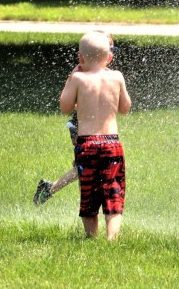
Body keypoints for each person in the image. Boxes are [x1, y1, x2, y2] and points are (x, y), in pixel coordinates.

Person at [59, 31, 132, 240]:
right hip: (112, 144)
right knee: (113, 190)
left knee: (89, 191)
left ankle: (91, 237)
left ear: (80, 58)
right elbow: (125, 108)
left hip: (87, 144)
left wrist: (71, 79)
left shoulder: (78, 78)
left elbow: (65, 107)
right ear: (109, 56)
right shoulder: (117, 77)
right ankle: (112, 239)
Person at [34, 32, 118, 205]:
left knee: (86, 168)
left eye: (112, 49)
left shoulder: (107, 73)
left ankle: (52, 189)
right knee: (85, 168)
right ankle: (54, 192)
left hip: (95, 127)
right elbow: (68, 100)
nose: (111, 52)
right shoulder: (81, 70)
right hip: (81, 125)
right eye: (108, 48)